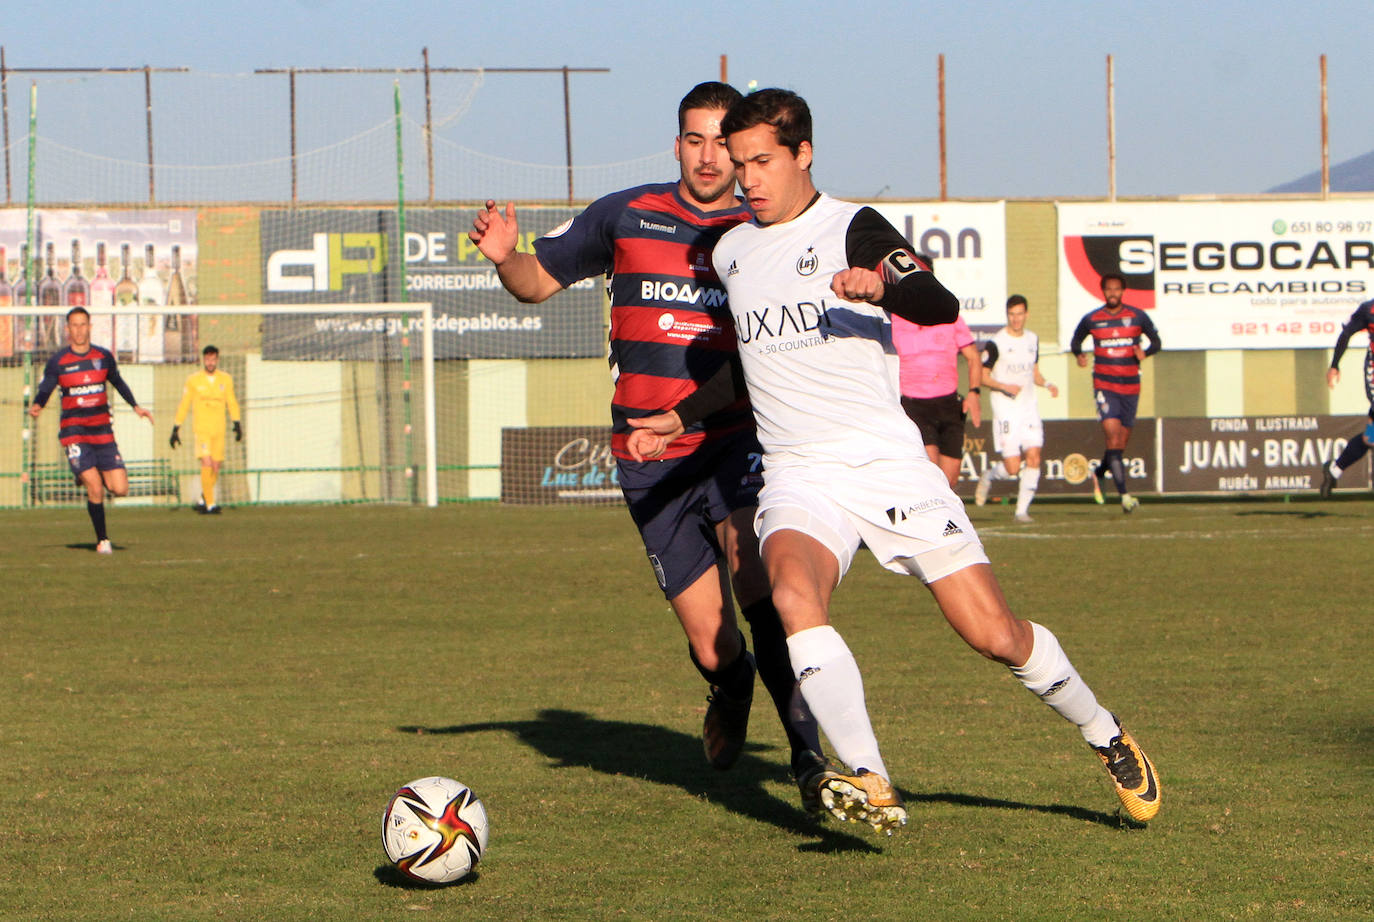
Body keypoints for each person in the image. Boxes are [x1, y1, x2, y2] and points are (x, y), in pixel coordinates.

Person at [628, 88, 1160, 835]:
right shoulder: (732, 251)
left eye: (762, 161)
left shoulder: (853, 227)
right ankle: (871, 776)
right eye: (739, 162)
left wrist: (884, 286)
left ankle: (1104, 732)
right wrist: (679, 416)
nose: (747, 178)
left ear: (803, 154)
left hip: (886, 465)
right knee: (790, 596)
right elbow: (752, 362)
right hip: (797, 473)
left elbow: (938, 305)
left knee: (994, 634)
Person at [467, 81, 827, 795]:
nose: (709, 156)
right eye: (695, 139)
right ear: (677, 144)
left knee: (762, 590)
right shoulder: (627, 214)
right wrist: (508, 256)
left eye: (724, 143)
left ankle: (809, 758)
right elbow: (537, 283)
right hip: (647, 458)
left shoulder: (763, 233)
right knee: (711, 642)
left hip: (736, 441)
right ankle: (732, 688)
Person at [28, 306, 155, 553]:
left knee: (120, 488)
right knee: (95, 486)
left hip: (103, 432)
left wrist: (136, 406)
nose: (78, 330)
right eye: (73, 325)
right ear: (68, 330)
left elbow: (117, 382)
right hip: (74, 431)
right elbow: (46, 388)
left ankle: (83, 472)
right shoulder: (59, 362)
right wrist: (37, 404)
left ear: (89, 327)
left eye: (82, 324)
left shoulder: (103, 357)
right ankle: (103, 540)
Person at [1069, 274, 1161, 512]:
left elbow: (1156, 342)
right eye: (1108, 289)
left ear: (1123, 291)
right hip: (1105, 386)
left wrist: (1146, 352)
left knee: (1119, 444)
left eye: (1116, 289)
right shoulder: (1093, 319)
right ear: (1103, 291)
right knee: (1111, 436)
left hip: (1131, 387)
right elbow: (1076, 340)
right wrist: (1079, 354)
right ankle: (1125, 497)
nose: (1112, 293)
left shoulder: (1137, 316)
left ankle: (1099, 472)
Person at [974, 295, 1059, 522]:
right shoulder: (997, 343)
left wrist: (1048, 384)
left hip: (1028, 408)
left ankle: (1021, 511)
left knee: (1034, 456)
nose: (1016, 319)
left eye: (1020, 314)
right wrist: (1004, 386)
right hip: (1006, 409)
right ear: (1007, 315)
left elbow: (1035, 372)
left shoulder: (1033, 339)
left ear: (1026, 315)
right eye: (1012, 314)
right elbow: (982, 376)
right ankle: (990, 475)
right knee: (1012, 468)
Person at [890, 284, 982, 488]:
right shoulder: (894, 319)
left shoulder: (949, 317)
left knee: (950, 481)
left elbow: (973, 357)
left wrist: (974, 392)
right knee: (931, 478)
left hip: (949, 405)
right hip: (914, 405)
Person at [170, 344, 242, 514]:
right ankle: (210, 504)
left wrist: (237, 422)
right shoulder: (194, 380)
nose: (210, 362)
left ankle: (203, 498)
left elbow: (231, 401)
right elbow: (185, 404)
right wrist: (176, 427)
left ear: (217, 360)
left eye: (213, 359)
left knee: (216, 466)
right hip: (202, 429)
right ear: (204, 360)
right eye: (207, 359)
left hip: (219, 429)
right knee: (206, 462)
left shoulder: (225, 379)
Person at [1318, 297, 1374, 497]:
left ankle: (1334, 470)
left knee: (1370, 438)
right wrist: (1335, 365)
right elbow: (1347, 332)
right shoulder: (1369, 309)